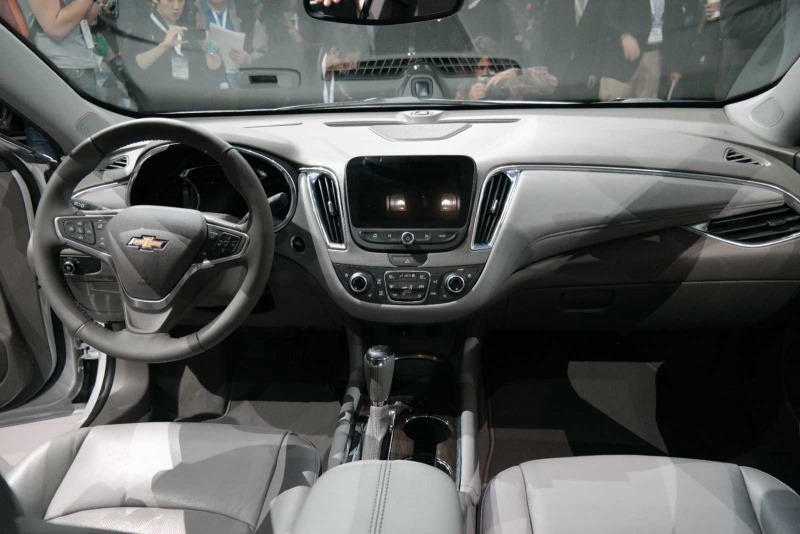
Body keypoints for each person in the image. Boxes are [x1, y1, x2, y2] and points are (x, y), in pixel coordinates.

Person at [17, 0, 106, 156]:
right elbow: (55, 27)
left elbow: (87, 19)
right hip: (56, 72)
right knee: (55, 157)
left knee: (89, 153)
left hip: (77, 69)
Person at [118, 0, 224, 111]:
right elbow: (133, 66)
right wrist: (163, 46)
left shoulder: (188, 26)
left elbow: (217, 69)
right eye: (170, 0)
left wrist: (207, 46)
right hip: (155, 106)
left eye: (181, 1)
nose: (176, 6)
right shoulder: (141, 26)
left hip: (189, 105)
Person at [662, 0, 722, 99]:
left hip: (712, 61)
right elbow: (671, 32)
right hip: (686, 62)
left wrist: (721, 13)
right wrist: (674, 67)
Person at [596, 0, 653, 101]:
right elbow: (606, 16)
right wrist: (623, 36)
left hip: (653, 57)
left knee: (649, 108)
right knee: (614, 108)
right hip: (619, 60)